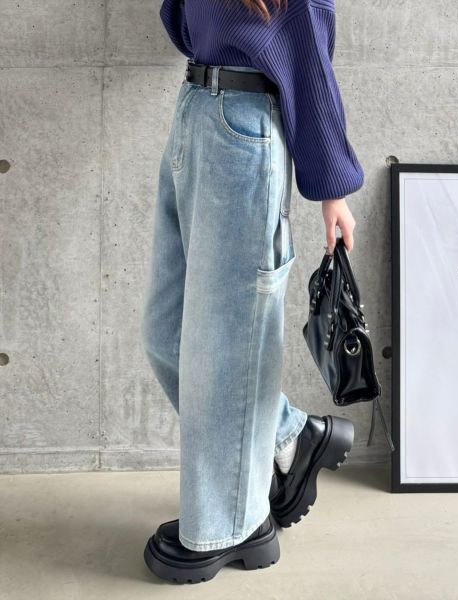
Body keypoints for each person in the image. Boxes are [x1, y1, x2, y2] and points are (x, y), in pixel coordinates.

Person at [141, 0, 362, 584]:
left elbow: (310, 64)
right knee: (166, 334)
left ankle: (231, 527)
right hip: (194, 113)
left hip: (244, 131)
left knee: (225, 346)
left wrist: (332, 192)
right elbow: (182, 27)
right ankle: (291, 435)